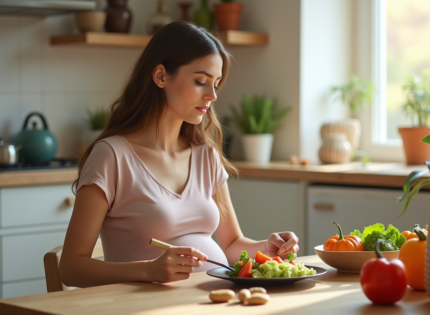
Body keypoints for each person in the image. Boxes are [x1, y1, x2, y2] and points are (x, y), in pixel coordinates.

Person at [59, 21, 299, 288]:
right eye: (200, 81)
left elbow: (231, 244)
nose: (212, 95)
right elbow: (70, 268)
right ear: (161, 76)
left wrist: (268, 247)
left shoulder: (206, 156)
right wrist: (148, 270)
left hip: (213, 302)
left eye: (216, 84)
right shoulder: (111, 156)